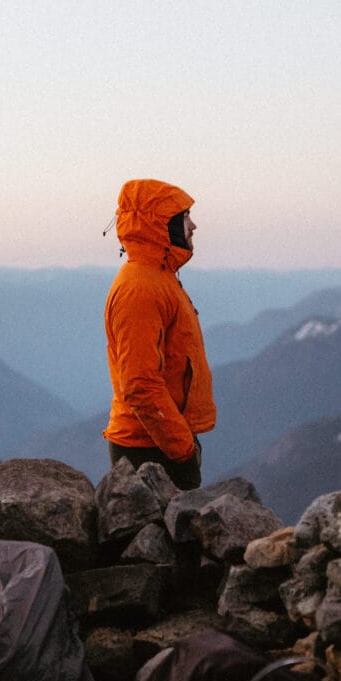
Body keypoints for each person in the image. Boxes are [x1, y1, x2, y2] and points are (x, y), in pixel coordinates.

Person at [103, 177, 214, 490]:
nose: (193, 226)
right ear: (161, 224)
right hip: (150, 448)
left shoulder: (158, 277)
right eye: (184, 217)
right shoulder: (140, 288)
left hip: (159, 441)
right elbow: (138, 383)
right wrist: (182, 448)